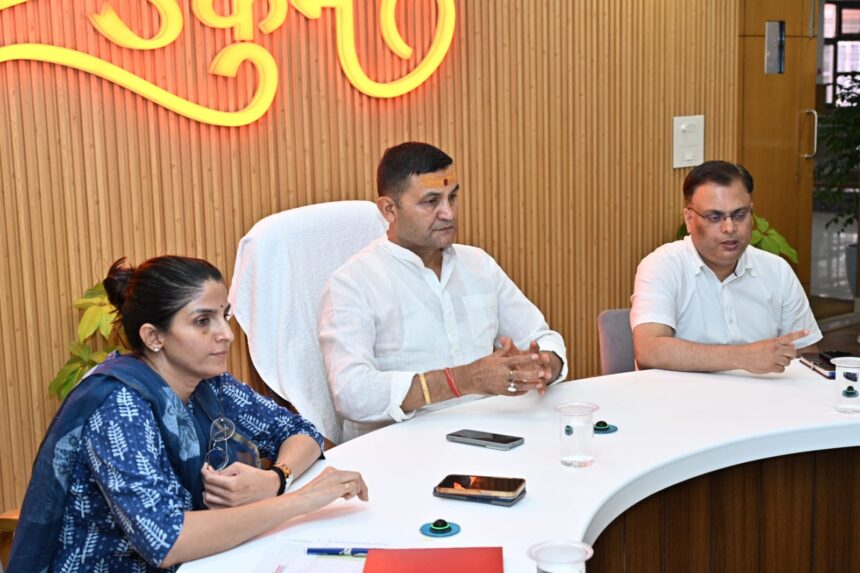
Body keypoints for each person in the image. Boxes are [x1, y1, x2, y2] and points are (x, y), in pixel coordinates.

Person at [8, 256, 368, 572]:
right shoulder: (120, 407)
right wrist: (300, 501)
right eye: (202, 321)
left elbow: (300, 431)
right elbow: (166, 540)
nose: (226, 334)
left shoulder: (210, 383)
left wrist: (275, 479)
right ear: (154, 337)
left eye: (224, 315)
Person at [319, 142, 568, 440]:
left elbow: (542, 337)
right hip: (398, 448)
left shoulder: (478, 264)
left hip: (491, 435)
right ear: (389, 209)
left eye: (453, 197)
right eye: (431, 202)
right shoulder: (353, 282)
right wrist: (464, 380)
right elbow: (353, 393)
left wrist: (542, 365)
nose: (448, 213)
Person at [630, 160, 821, 373]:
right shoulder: (663, 266)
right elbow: (649, 351)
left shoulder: (777, 270)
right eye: (714, 217)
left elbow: (807, 354)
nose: (729, 228)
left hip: (762, 393)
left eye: (740, 215)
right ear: (689, 219)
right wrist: (744, 357)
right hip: (682, 394)